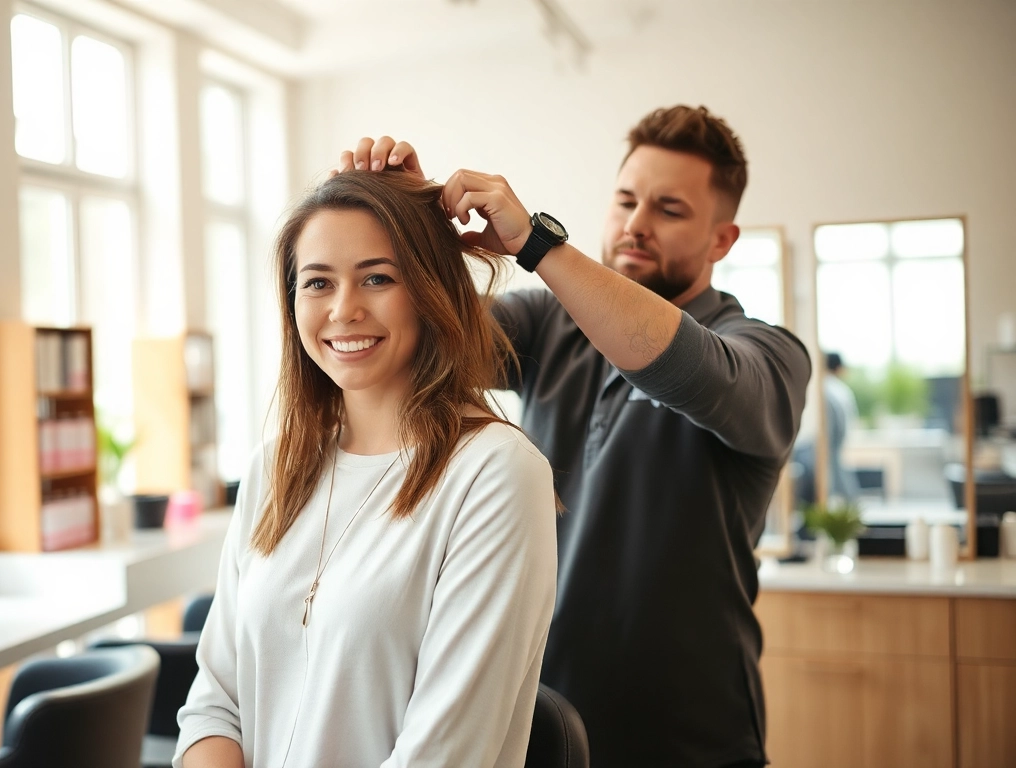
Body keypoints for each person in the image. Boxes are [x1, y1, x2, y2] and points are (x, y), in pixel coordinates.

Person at [341, 105, 811, 768]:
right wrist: (408, 221)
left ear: (721, 241)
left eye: (669, 209)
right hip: (546, 721)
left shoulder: (767, 356)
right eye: (625, 200)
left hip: (692, 736)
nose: (636, 225)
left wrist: (537, 245)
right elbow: (423, 346)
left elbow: (684, 363)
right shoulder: (549, 323)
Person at [174, 169, 558, 767]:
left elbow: (442, 755)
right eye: (317, 283)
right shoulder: (276, 466)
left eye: (378, 278)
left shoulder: (498, 475)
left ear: (430, 291)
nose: (344, 309)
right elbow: (215, 702)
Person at [823, 352, 861, 502]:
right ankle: (852, 505)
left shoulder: (828, 388)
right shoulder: (839, 389)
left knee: (836, 471)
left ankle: (851, 505)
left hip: (833, 438)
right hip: (838, 438)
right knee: (837, 471)